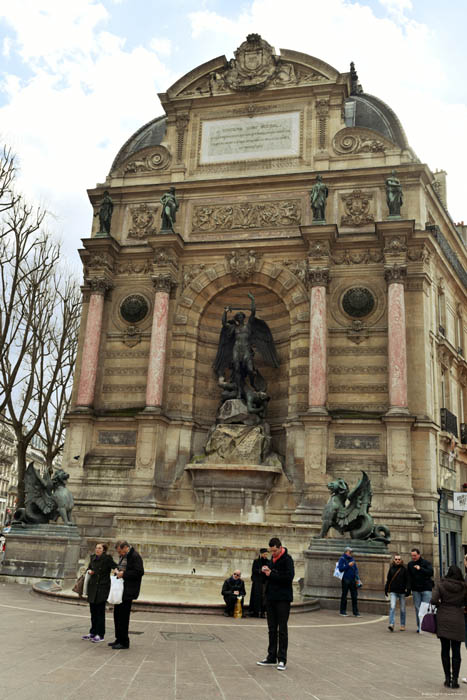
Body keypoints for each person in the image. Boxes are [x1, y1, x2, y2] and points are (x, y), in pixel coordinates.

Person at [257, 537, 294, 671]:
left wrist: (272, 573)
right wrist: (265, 572)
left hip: (283, 599)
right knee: (271, 629)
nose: (273, 554)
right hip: (271, 598)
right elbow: (267, 578)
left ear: (280, 548)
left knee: (282, 629)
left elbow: (289, 577)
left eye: (274, 551)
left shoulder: (287, 560)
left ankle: (282, 659)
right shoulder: (272, 560)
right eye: (271, 552)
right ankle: (271, 656)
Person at [431, 565, 467, 689]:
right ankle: (455, 680)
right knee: (456, 651)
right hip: (458, 618)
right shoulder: (464, 587)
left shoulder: (441, 584)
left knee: (445, 649)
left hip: (443, 618)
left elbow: (433, 600)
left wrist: (441, 603)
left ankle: (447, 678)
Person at [109, 540, 144, 650]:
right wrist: (117, 570)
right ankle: (118, 638)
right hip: (121, 589)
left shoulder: (135, 556)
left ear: (125, 548)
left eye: (121, 551)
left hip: (128, 591)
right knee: (117, 615)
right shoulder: (125, 556)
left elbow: (139, 572)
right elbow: (122, 568)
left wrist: (124, 574)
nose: (120, 554)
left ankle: (124, 642)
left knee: (123, 617)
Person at [82, 543, 117, 643]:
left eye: (99, 548)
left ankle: (100, 634)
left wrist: (117, 574)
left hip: (102, 588)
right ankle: (92, 632)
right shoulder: (92, 558)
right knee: (93, 612)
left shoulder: (107, 559)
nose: (97, 550)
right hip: (93, 588)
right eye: (96, 548)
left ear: (103, 550)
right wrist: (89, 571)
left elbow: (115, 566)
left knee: (100, 613)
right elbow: (89, 568)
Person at [407, 548, 433, 632]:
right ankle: (419, 626)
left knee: (425, 608)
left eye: (415, 555)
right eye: (412, 556)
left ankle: (426, 626)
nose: (413, 557)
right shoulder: (410, 564)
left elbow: (430, 572)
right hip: (416, 589)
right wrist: (408, 589)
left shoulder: (426, 563)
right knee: (417, 608)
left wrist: (420, 568)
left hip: (426, 588)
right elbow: (409, 577)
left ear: (419, 555)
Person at [384, 553, 409, 632]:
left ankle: (402, 625)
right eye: (396, 559)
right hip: (393, 591)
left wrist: (408, 589)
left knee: (402, 609)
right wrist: (386, 589)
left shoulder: (404, 569)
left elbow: (408, 580)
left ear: (401, 560)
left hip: (402, 591)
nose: (397, 561)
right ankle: (391, 624)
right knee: (392, 607)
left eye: (399, 559)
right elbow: (388, 579)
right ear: (394, 560)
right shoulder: (391, 569)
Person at [338, 546, 361, 617]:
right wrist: (348, 565)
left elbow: (355, 569)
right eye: (350, 552)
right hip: (345, 579)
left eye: (351, 552)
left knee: (354, 596)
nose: (351, 553)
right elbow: (340, 569)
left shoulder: (352, 559)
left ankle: (356, 612)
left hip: (353, 580)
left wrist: (357, 578)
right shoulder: (342, 559)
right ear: (346, 552)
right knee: (344, 595)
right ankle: (342, 611)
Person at [249, 548, 269, 617]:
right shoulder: (256, 561)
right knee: (256, 596)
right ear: (261, 554)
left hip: (264, 582)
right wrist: (260, 570)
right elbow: (254, 570)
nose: (265, 556)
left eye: (266, 554)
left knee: (264, 597)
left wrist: (267, 570)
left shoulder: (268, 562)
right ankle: (255, 612)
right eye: (264, 554)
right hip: (257, 581)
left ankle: (263, 612)